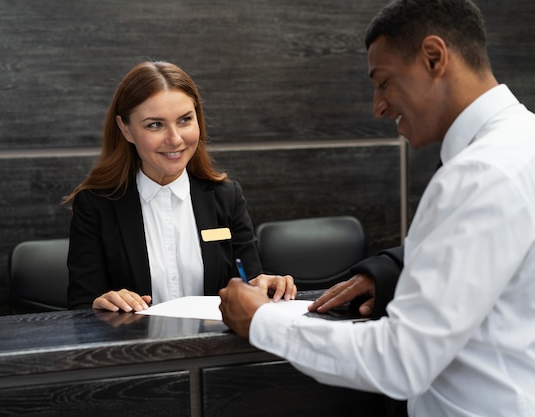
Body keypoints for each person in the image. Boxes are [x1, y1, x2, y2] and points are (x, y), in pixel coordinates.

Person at [219, 1, 535, 416]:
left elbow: (401, 361)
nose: (378, 106)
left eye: (383, 82)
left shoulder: (477, 173)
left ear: (434, 57)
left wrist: (262, 321)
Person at [64, 61, 296, 312]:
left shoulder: (227, 197)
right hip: (134, 348)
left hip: (215, 349)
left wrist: (264, 286)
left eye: (185, 120)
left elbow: (250, 284)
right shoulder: (95, 205)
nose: (174, 139)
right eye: (155, 124)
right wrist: (99, 304)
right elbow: (82, 306)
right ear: (126, 129)